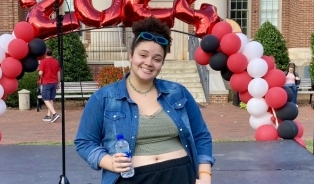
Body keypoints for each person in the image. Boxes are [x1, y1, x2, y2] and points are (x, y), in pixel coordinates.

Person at [74, 16, 215, 184]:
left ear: (161, 63)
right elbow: (84, 142)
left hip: (181, 176)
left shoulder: (178, 93)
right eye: (143, 55)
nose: (149, 63)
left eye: (157, 59)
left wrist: (205, 175)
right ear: (131, 56)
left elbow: (201, 135)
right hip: (131, 179)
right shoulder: (104, 97)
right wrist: (109, 162)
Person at [38, 47, 61, 123]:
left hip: (47, 82)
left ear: (45, 53)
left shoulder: (43, 62)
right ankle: (48, 115)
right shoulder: (56, 62)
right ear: (52, 53)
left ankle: (54, 114)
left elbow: (40, 73)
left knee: (45, 99)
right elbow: (58, 73)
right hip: (54, 82)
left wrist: (40, 72)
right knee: (50, 99)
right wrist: (58, 83)